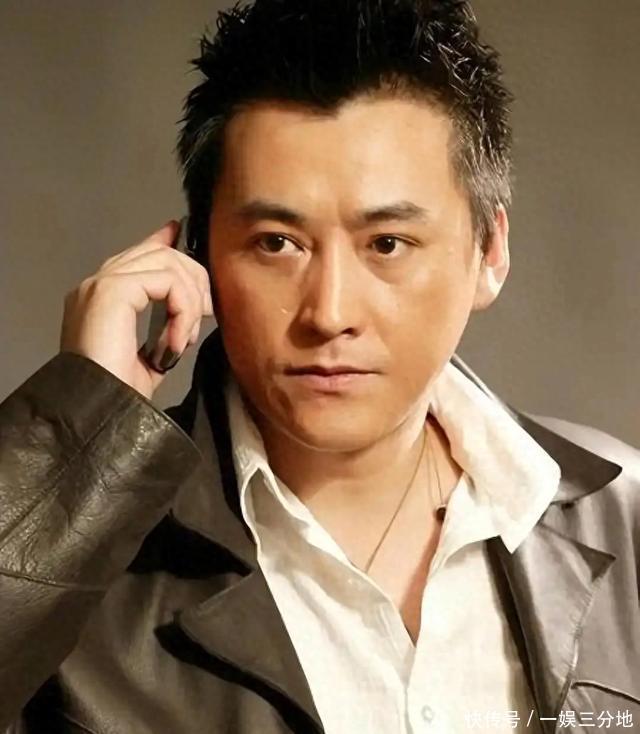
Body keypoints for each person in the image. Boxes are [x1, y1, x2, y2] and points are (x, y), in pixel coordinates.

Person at [0, 0, 638, 732]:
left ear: (488, 253)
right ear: (197, 255)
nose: (329, 313)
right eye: (277, 243)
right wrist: (75, 440)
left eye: (387, 244)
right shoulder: (88, 554)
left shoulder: (621, 518)